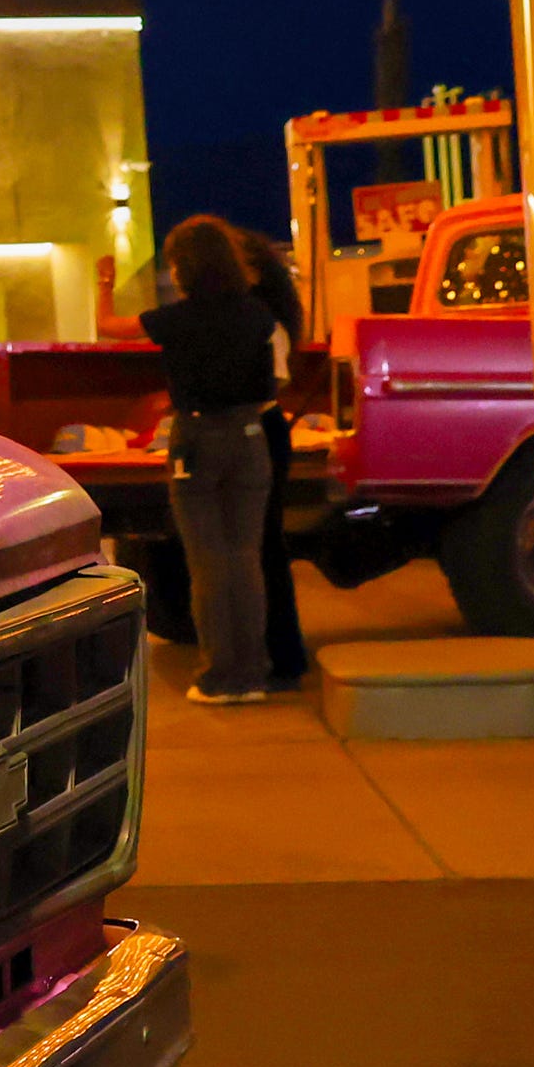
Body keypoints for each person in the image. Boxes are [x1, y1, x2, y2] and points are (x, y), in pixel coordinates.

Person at [141, 215, 293, 704]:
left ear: (182, 268)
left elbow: (112, 326)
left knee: (207, 562)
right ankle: (253, 673)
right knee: (245, 557)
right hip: (251, 438)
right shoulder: (257, 315)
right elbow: (277, 378)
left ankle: (217, 675)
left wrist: (103, 287)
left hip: (197, 440)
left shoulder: (176, 320)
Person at [236, 226, 312, 687]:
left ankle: (282, 656)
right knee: (262, 547)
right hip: (265, 428)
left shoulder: (261, 321)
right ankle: (280, 654)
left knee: (263, 547)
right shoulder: (264, 318)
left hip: (258, 428)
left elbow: (272, 384)